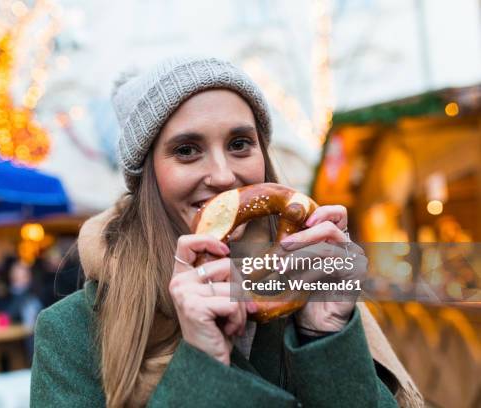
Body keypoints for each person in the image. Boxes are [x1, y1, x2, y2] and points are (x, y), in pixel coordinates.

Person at [30, 57, 423, 407]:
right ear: (147, 178)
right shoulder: (70, 332)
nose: (222, 176)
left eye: (240, 144)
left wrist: (324, 337)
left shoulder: (302, 297)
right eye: (186, 150)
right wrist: (203, 365)